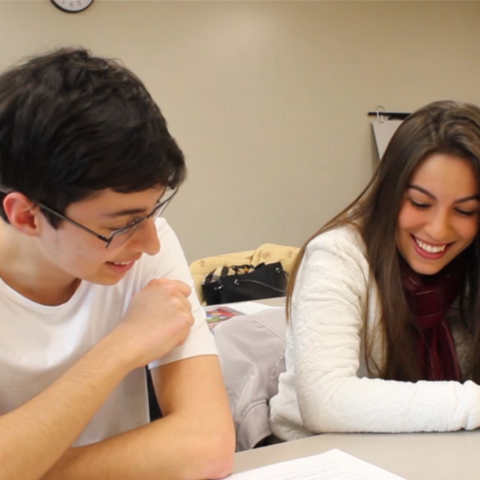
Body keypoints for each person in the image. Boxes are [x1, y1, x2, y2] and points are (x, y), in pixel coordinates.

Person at [0, 48, 234, 480]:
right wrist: (120, 348)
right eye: (120, 225)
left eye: (154, 210)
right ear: (27, 216)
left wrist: (23, 466)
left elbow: (207, 444)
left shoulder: (149, 242)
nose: (148, 242)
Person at [270, 100, 480, 440]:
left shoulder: (470, 262)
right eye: (420, 203)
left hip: (445, 451)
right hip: (326, 456)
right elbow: (326, 400)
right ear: (389, 192)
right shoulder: (338, 255)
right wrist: (471, 403)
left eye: (466, 211)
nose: (439, 231)